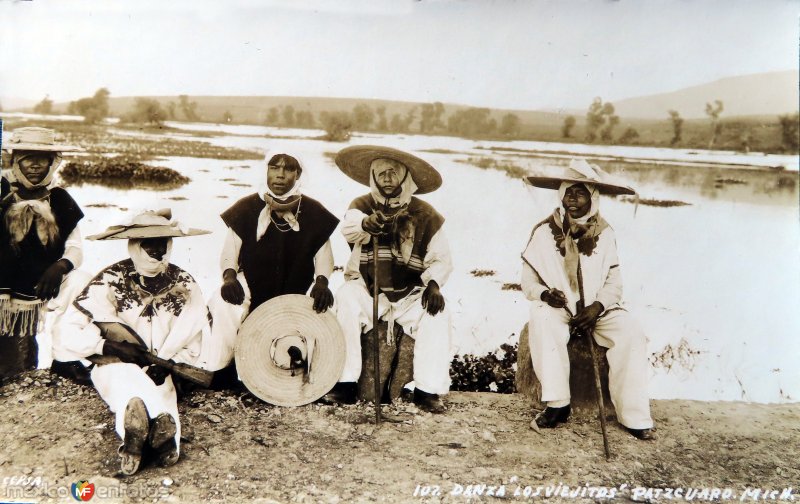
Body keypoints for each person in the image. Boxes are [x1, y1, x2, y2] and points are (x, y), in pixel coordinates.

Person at [56, 209, 212, 475]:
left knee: (160, 389)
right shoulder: (109, 280)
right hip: (115, 362)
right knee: (124, 387)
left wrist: (173, 362)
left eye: (162, 242)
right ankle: (159, 439)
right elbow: (66, 331)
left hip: (162, 367)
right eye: (148, 242)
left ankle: (137, 444)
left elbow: (198, 334)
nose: (157, 248)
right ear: (134, 245)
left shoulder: (185, 283)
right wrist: (107, 347)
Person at [521, 158, 655, 440]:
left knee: (631, 332)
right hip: (561, 309)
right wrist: (545, 294)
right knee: (541, 316)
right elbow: (528, 282)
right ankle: (558, 404)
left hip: (598, 311)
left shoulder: (605, 234)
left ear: (592, 198)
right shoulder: (545, 232)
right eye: (568, 192)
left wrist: (597, 306)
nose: (572, 199)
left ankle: (634, 416)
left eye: (580, 192)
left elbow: (614, 283)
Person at [328, 145, 453, 413]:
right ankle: (345, 383)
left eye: (393, 172)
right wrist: (365, 224)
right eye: (381, 173)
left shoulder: (426, 213)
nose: (387, 178)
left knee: (437, 313)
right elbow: (349, 229)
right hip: (369, 290)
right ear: (373, 177)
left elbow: (441, 258)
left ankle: (427, 390)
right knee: (346, 298)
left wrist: (434, 284)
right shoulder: (361, 205)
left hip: (409, 293)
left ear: (405, 177)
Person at [203, 153, 339, 383]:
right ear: (265, 171)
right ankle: (222, 369)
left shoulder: (313, 211)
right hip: (254, 281)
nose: (280, 174)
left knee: (327, 312)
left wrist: (322, 282)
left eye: (288, 169)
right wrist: (229, 277)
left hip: (296, 287)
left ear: (298, 174)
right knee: (223, 301)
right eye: (274, 168)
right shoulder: (247, 207)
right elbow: (230, 251)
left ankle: (321, 374)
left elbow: (323, 255)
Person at [0, 127, 90, 384]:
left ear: (53, 163)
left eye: (43, 158)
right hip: (4, 287)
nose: (35, 165)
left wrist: (60, 267)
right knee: (11, 364)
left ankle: (65, 357)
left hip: (40, 287)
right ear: (15, 160)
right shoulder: (2, 190)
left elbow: (76, 247)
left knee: (81, 281)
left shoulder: (60, 199)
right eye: (28, 157)